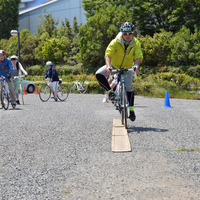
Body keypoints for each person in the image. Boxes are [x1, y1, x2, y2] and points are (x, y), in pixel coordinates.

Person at [96, 22, 143, 121]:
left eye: (130, 33)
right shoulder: (115, 42)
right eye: (125, 34)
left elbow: (138, 56)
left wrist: (136, 65)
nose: (127, 36)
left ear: (133, 33)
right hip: (114, 66)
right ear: (121, 33)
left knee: (129, 88)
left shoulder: (136, 43)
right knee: (98, 74)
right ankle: (110, 92)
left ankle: (132, 110)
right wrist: (108, 67)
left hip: (128, 67)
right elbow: (108, 54)